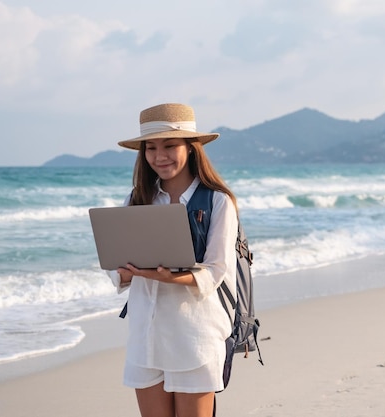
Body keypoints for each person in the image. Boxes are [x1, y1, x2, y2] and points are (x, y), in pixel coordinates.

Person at [108, 103, 238, 417]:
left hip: (194, 335)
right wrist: (125, 272)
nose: (159, 155)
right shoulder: (136, 199)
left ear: (191, 148)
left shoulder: (217, 200)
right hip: (145, 336)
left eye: (169, 145)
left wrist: (167, 277)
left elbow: (216, 269)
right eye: (150, 148)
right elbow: (117, 271)